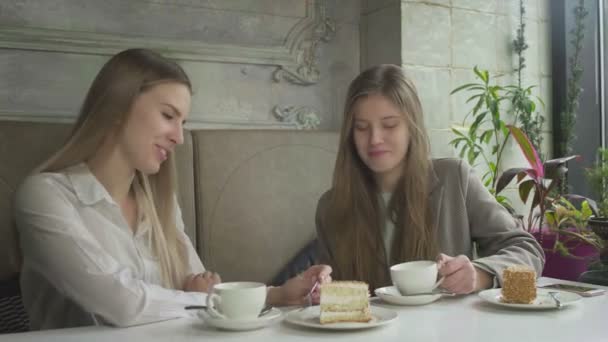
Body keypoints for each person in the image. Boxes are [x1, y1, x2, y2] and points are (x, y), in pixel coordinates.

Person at [14, 48, 331, 330]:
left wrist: (280, 294)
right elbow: (123, 304)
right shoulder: (44, 197)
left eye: (182, 122)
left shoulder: (161, 206)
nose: (178, 138)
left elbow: (205, 291)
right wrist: (198, 299)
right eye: (168, 116)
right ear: (117, 107)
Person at [315, 64, 544, 294]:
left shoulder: (454, 178)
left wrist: (480, 274)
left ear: (411, 127)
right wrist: (317, 287)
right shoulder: (331, 207)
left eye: (389, 125)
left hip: (447, 329)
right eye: (362, 128)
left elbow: (527, 250)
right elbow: (331, 293)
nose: (374, 139)